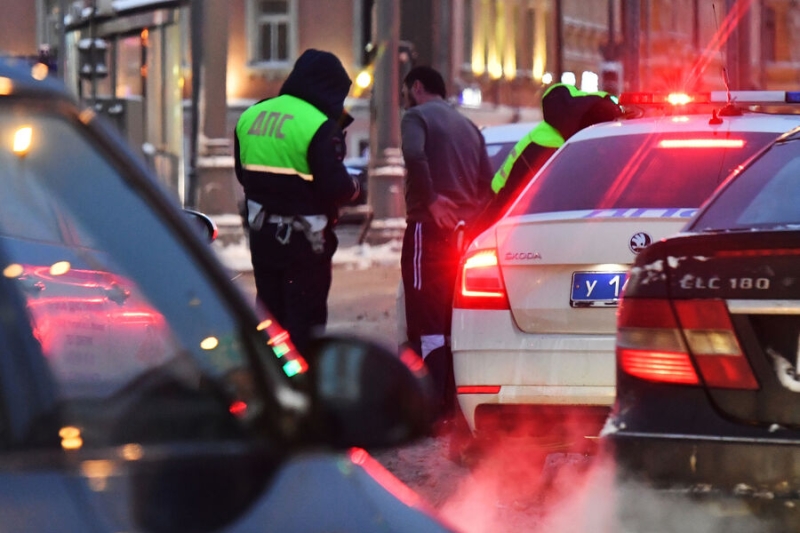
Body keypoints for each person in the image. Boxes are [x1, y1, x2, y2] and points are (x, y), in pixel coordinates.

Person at [234, 49, 360, 354]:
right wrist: (355, 187)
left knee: (270, 320)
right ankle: (301, 389)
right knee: (305, 325)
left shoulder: (251, 115)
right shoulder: (318, 124)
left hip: (262, 239)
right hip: (305, 246)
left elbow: (243, 174)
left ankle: (270, 381)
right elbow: (335, 187)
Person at [399, 65, 493, 427]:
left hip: (428, 229)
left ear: (417, 87)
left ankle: (428, 407)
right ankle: (453, 405)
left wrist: (433, 199)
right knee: (454, 320)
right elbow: (487, 181)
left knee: (426, 320)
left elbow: (414, 154)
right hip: (464, 234)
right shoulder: (469, 127)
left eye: (408, 90)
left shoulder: (416, 117)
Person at [480, 83, 623, 226]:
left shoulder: (564, 132)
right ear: (591, 125)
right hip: (504, 208)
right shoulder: (548, 145)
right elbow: (513, 195)